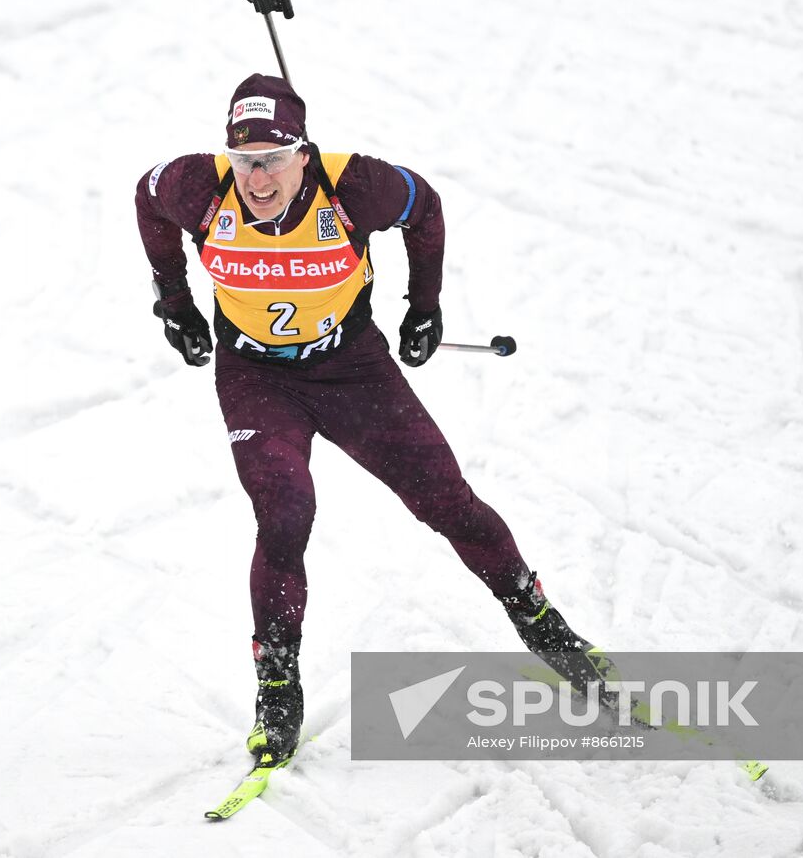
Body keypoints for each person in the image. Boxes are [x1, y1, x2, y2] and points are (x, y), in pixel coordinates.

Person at [135, 73, 614, 766]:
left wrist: (425, 307)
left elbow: (427, 208)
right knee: (285, 509)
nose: (258, 179)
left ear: (305, 151)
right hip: (257, 378)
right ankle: (277, 680)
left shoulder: (354, 186)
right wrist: (174, 303)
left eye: (273, 157)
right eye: (245, 160)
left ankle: (543, 624)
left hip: (352, 369)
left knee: (447, 500)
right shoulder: (197, 187)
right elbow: (145, 200)